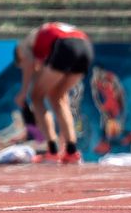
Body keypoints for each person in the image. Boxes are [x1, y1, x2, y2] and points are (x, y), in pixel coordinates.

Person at [13, 21, 93, 162]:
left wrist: (23, 93)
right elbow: (43, 68)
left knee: (36, 96)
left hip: (65, 46)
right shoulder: (46, 40)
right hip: (85, 47)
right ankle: (71, 151)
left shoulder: (23, 46)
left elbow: (28, 64)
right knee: (59, 97)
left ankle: (52, 149)